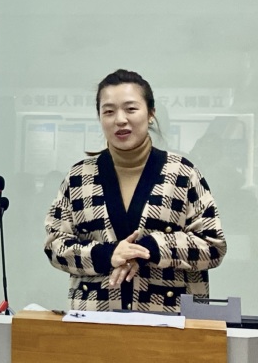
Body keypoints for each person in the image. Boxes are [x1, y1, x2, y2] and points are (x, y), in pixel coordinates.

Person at [44, 69, 227, 312]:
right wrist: (106, 254)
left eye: (131, 109)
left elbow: (213, 246)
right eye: (109, 111)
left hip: (171, 321)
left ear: (151, 113)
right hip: (95, 321)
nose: (120, 120)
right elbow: (54, 245)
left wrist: (151, 248)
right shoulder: (79, 177)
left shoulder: (183, 174)